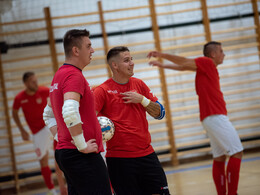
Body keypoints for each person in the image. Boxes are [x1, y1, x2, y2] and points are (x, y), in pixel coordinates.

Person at [147, 41, 243, 195]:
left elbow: (183, 66)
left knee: (219, 157)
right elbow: (185, 62)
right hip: (216, 116)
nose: (223, 54)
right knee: (236, 152)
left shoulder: (204, 68)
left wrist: (162, 65)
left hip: (210, 118)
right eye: (221, 51)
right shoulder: (207, 62)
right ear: (212, 54)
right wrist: (162, 55)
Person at [94, 46, 170, 195]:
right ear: (114, 65)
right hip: (120, 160)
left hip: (147, 155)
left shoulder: (139, 85)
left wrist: (142, 100)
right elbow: (88, 120)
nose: (132, 63)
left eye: (131, 59)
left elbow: (160, 114)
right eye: (126, 60)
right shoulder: (102, 91)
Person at [45, 29, 112, 195]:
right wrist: (81, 145)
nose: (93, 50)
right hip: (82, 156)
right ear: (76, 50)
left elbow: (47, 114)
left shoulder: (59, 75)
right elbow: (69, 111)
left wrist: (61, 139)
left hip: (67, 153)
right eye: (88, 46)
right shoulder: (73, 76)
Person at [12, 72, 67, 195]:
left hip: (50, 126)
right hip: (37, 132)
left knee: (60, 156)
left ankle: (63, 186)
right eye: (32, 81)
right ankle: (52, 190)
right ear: (26, 83)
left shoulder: (44, 90)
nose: (36, 83)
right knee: (43, 161)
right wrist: (22, 130)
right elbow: (14, 113)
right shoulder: (19, 98)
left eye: (36, 80)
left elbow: (58, 98)